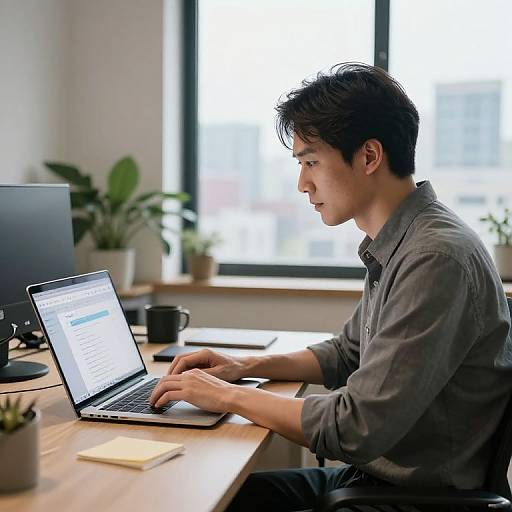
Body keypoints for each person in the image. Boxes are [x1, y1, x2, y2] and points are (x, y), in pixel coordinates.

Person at [150, 63, 512, 511]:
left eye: (310, 162)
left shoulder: (434, 257)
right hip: (379, 480)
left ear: (368, 156)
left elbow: (355, 427)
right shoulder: (402, 241)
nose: (303, 183)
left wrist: (226, 396)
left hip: (415, 500)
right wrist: (242, 367)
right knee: (215, 495)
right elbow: (348, 353)